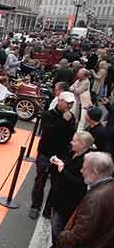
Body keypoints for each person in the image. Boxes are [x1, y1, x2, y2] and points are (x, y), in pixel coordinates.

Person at [41, 131, 94, 248]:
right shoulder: (73, 153)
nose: (71, 142)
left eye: (74, 141)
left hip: (67, 201)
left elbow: (79, 183)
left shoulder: (86, 161)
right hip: (57, 195)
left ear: (82, 144)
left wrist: (62, 168)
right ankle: (55, 247)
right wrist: (57, 163)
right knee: (55, 224)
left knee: (59, 227)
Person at [59, 152, 114, 248]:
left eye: (84, 168)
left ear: (95, 173)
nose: (81, 171)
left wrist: (63, 236)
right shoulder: (109, 187)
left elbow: (80, 235)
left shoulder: (95, 199)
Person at [29, 91, 77, 220]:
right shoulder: (47, 115)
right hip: (45, 153)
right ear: (60, 101)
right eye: (67, 103)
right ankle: (35, 206)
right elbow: (49, 133)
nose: (69, 106)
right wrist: (63, 121)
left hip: (61, 155)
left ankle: (48, 208)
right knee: (40, 181)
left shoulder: (71, 117)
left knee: (56, 183)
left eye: (71, 103)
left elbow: (69, 135)